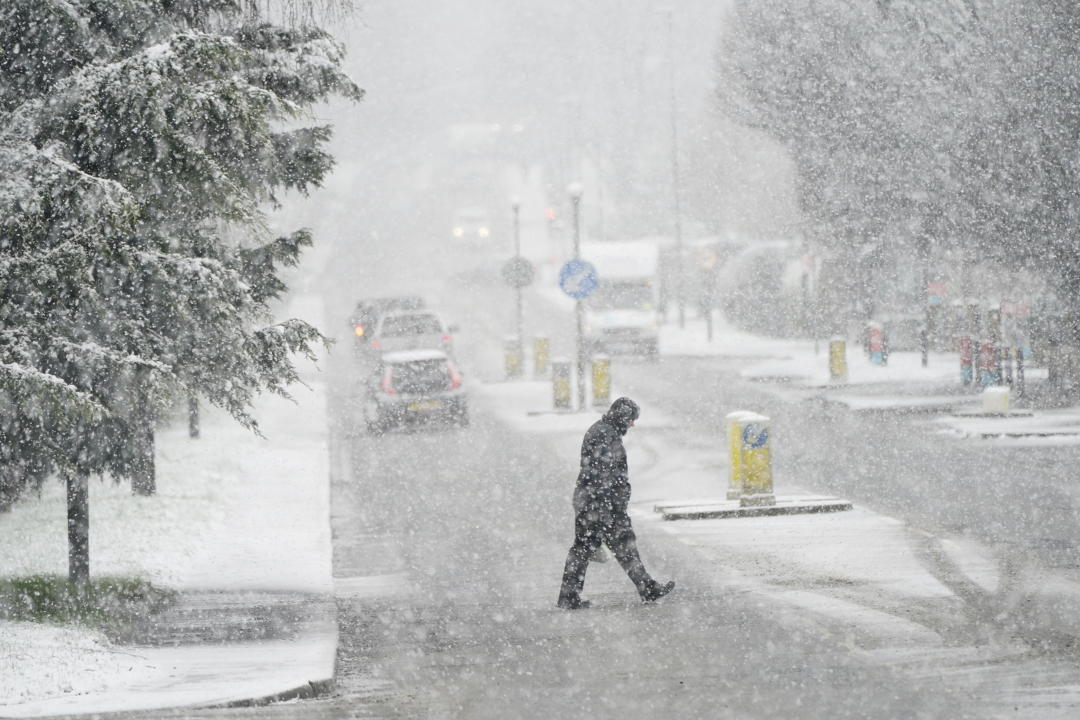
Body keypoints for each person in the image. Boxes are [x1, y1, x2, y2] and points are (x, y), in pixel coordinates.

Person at [557, 396, 675, 609]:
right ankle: (646, 588)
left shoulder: (604, 431)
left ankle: (570, 595)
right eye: (631, 419)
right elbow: (604, 475)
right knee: (613, 546)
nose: (633, 424)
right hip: (601, 504)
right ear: (622, 417)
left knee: (594, 547)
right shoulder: (606, 435)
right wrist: (612, 507)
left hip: (593, 502)